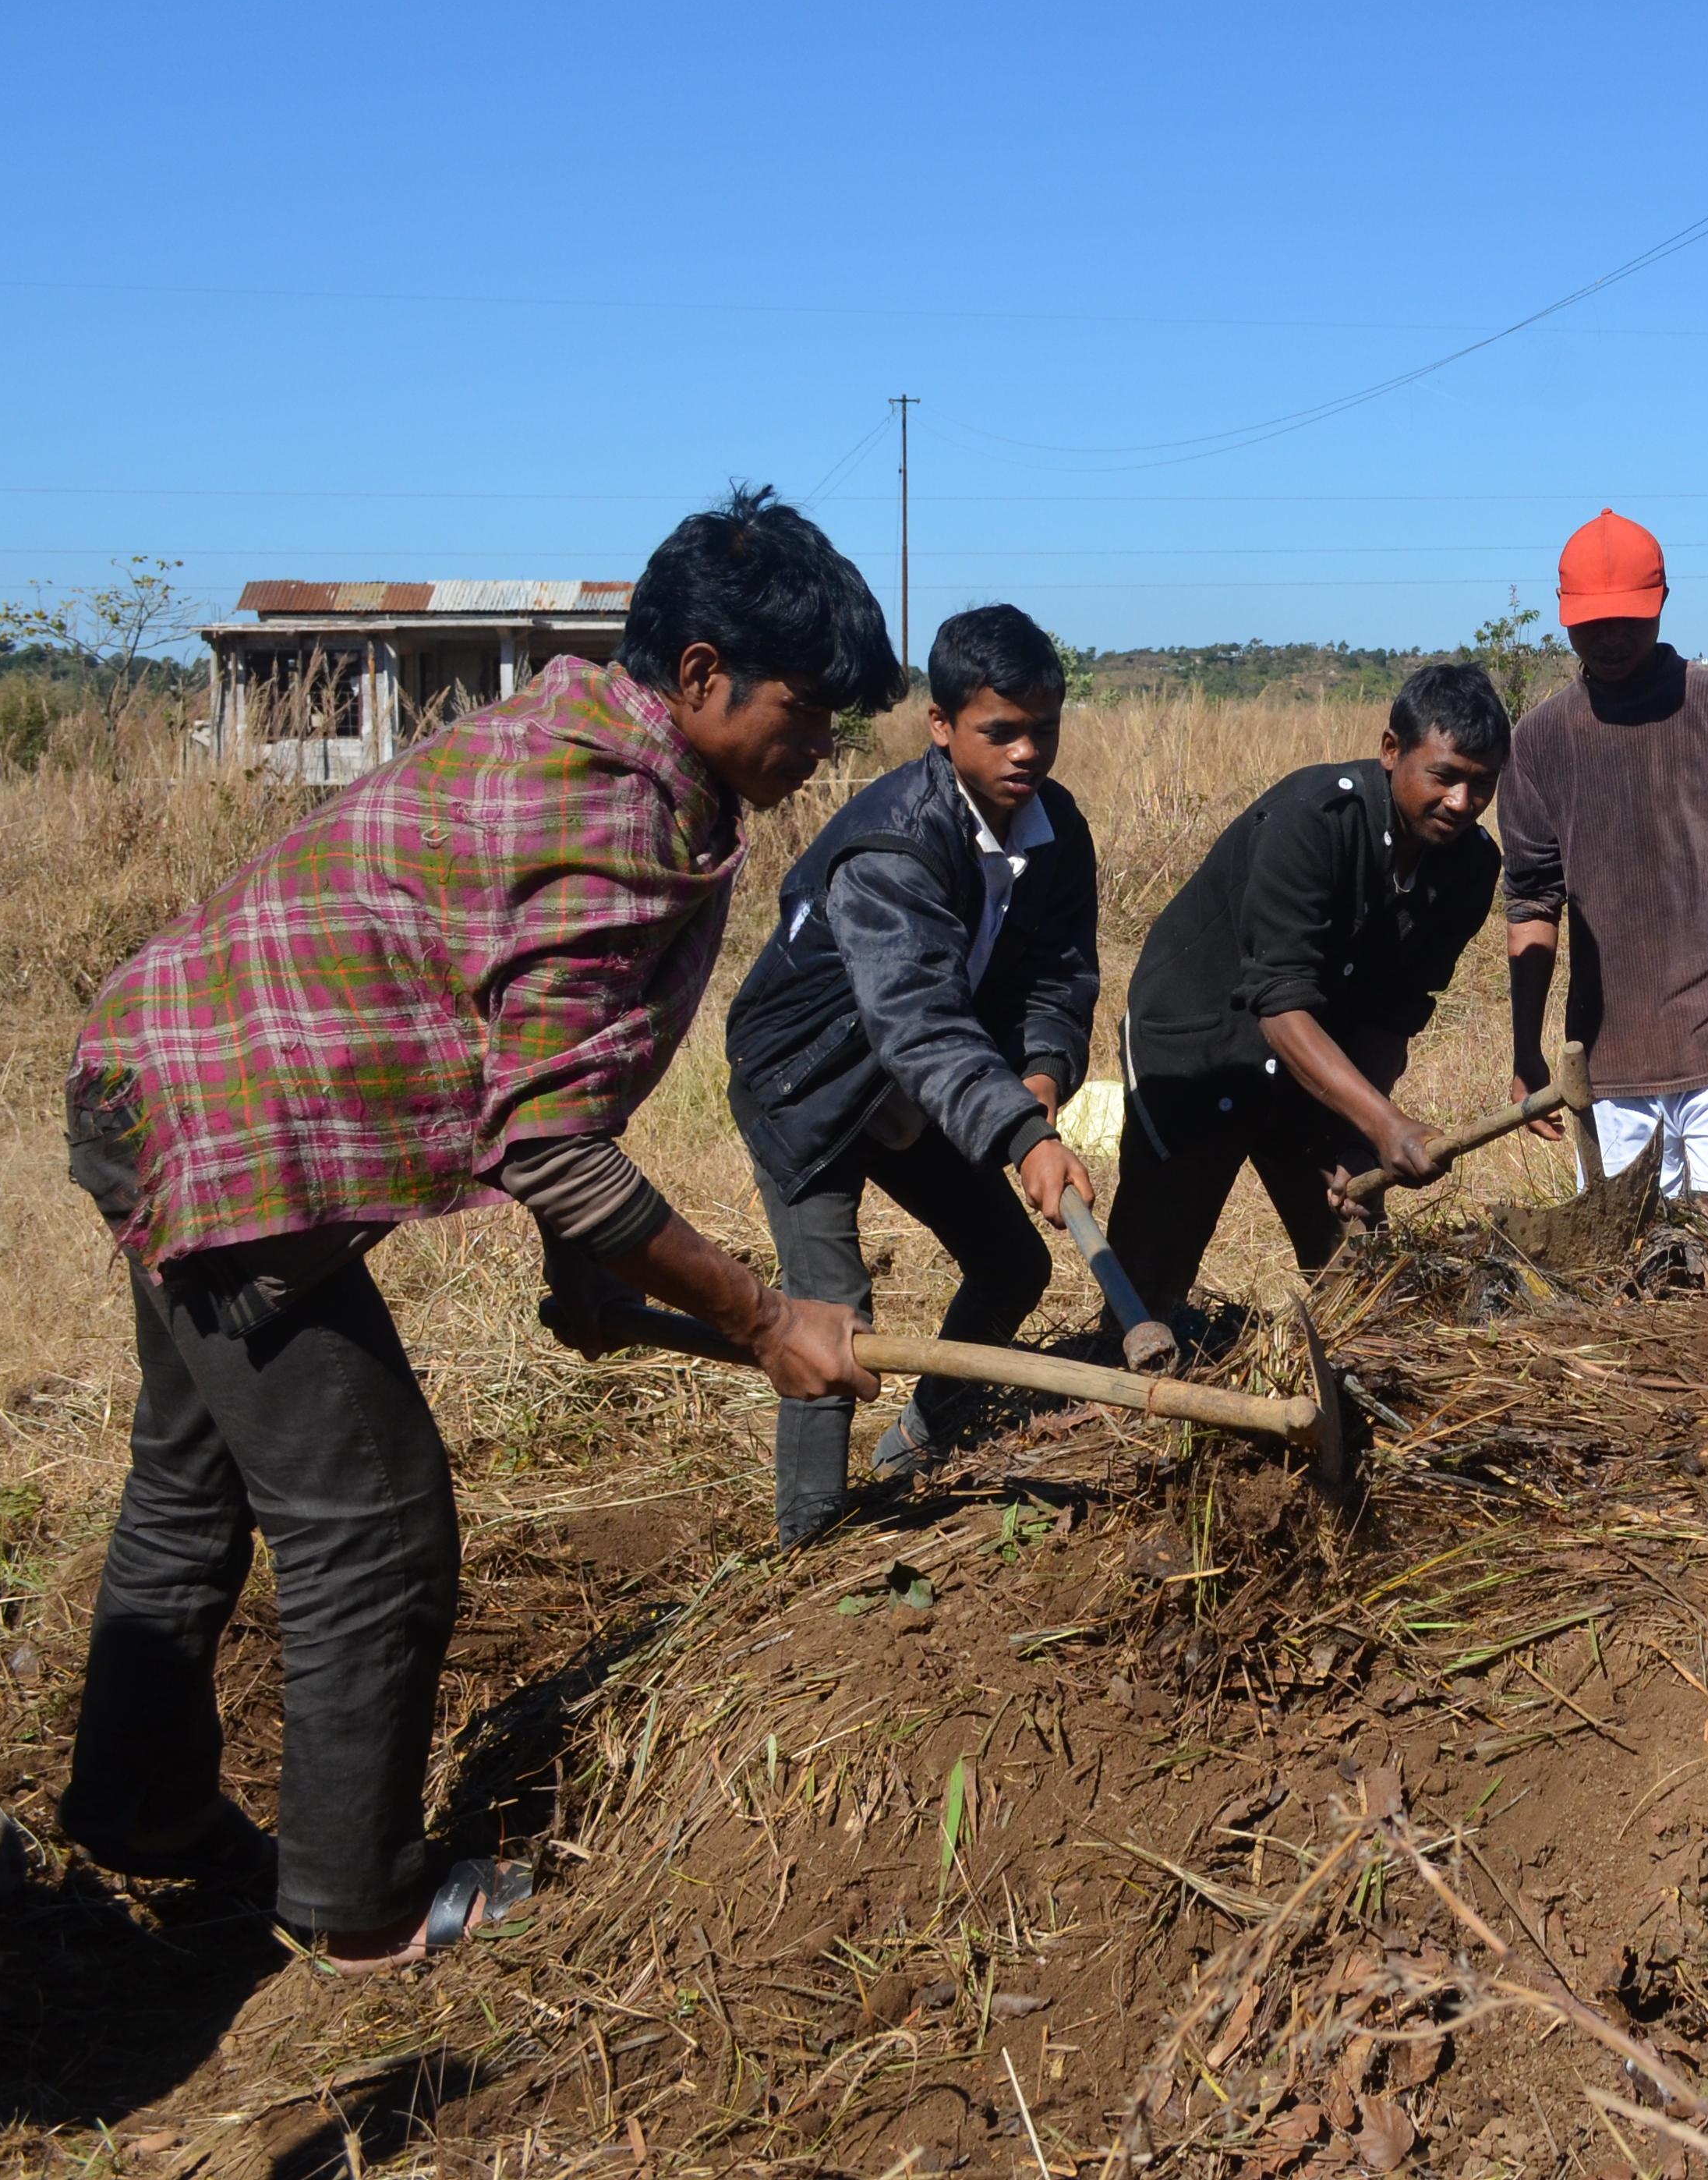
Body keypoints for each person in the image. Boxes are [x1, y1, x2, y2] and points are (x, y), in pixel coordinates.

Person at [59, 488, 894, 1966]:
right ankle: (360, 1900)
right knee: (374, 1523)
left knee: (191, 1479)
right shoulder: (612, 806)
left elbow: (537, 1052)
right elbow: (547, 1140)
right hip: (237, 1142)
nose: (819, 745)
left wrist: (590, 1262)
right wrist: (761, 1316)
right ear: (703, 675)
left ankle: (144, 1810)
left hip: (164, 1075)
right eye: (808, 707)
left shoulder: (592, 739)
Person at [725, 605, 1102, 1546]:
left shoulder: (1055, 830)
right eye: (1000, 731)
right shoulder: (891, 844)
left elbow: (1058, 976)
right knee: (830, 1319)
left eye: (1043, 730)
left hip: (923, 1085)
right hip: (807, 1087)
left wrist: (1043, 1082)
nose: (1026, 753)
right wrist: (1020, 1134)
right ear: (941, 726)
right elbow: (919, 1019)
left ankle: (916, 1449)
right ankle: (804, 1546)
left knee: (1011, 1264)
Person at [1105, 661, 1510, 1317]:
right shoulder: (1313, 819)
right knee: (1150, 1280)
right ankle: (1119, 1389)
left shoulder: (1470, 864)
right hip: (1202, 1039)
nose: (1462, 803)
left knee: (1362, 1281)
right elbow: (1279, 1004)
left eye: (1482, 783)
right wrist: (1387, 1124)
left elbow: (1393, 1015)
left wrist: (1360, 1141)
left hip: (1320, 1047)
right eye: (1444, 776)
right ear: (1391, 751)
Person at [1501, 511, 1708, 1197]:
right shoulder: (1538, 741)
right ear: (1563, 615)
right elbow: (1532, 899)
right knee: (1630, 1282)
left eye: (1630, 619)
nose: (1612, 638)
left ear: (1663, 604)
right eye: (1593, 622)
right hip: (1610, 1067)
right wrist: (1525, 1049)